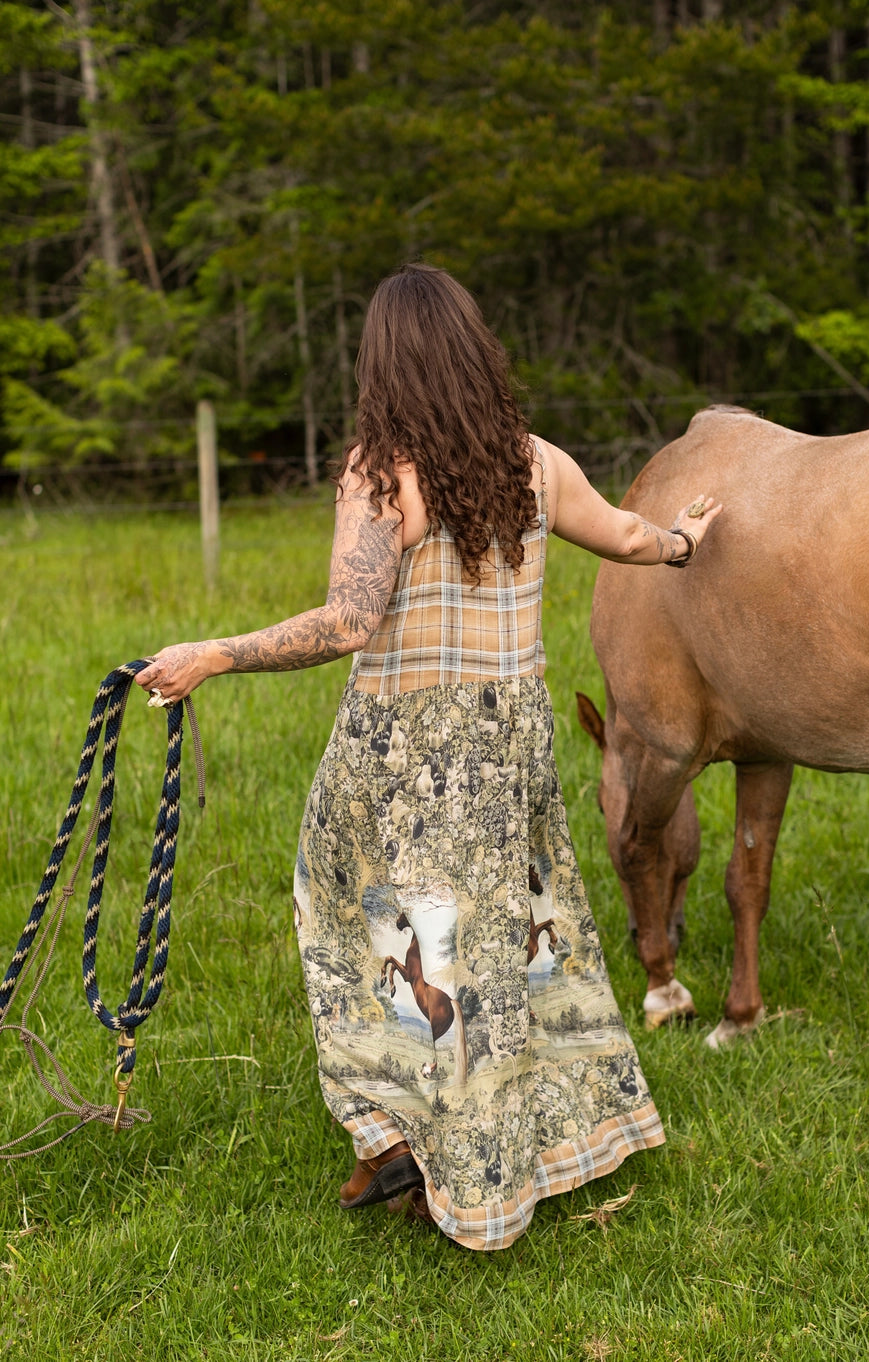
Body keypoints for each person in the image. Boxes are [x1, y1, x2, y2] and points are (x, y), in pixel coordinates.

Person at [137, 263, 721, 1251]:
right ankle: (462, 1149)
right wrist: (682, 542)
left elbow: (348, 621)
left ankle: (409, 1137)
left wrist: (216, 655)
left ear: (383, 363)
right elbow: (621, 535)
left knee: (356, 925)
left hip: (401, 752)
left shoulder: (380, 472)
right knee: (491, 946)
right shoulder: (535, 462)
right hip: (507, 747)